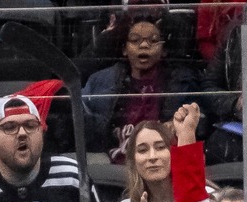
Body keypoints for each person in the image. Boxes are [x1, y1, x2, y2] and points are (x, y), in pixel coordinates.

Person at [81, 13, 206, 146]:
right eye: (135, 40)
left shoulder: (182, 83)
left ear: (164, 50)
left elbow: (201, 119)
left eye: (153, 41)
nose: (144, 45)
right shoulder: (101, 81)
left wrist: (178, 125)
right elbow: (82, 122)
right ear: (124, 49)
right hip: (112, 159)